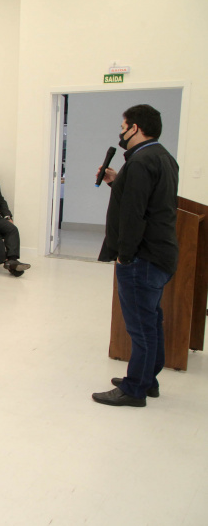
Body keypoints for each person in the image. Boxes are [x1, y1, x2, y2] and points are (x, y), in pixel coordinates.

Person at [92, 104, 179, 408]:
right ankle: (147, 379)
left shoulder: (141, 162)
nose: (121, 130)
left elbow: (134, 215)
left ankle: (135, 389)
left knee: (140, 328)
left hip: (142, 258)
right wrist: (118, 182)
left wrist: (124, 255)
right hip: (161, 254)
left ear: (136, 128)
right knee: (151, 321)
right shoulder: (163, 157)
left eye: (124, 125)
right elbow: (149, 201)